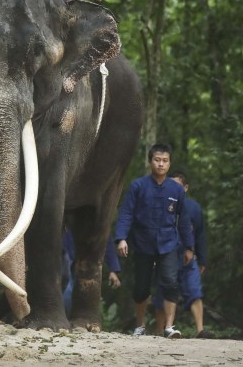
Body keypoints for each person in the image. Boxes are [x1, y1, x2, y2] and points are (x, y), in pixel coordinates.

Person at [114, 143, 194, 339]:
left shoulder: (176, 190)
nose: (161, 164)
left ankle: (169, 326)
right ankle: (140, 325)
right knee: (141, 286)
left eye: (165, 161)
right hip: (143, 241)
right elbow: (126, 213)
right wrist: (121, 238)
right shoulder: (138, 186)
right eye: (157, 160)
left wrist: (189, 247)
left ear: (169, 163)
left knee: (170, 283)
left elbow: (183, 219)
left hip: (168, 242)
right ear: (150, 162)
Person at [151, 170, 213, 338]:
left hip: (188, 258)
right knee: (162, 293)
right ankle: (159, 330)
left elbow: (199, 234)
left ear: (185, 188)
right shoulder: (161, 205)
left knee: (194, 291)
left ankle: (200, 329)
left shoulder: (193, 208)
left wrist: (202, 260)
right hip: (165, 255)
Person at [62, 229, 121, 313]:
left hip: (83, 260)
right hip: (62, 255)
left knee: (78, 295)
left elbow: (104, 234)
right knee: (66, 292)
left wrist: (113, 269)